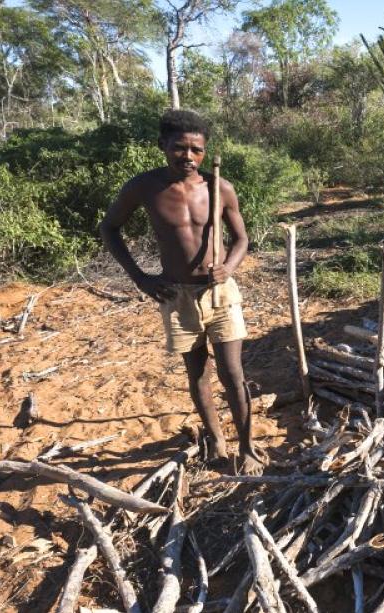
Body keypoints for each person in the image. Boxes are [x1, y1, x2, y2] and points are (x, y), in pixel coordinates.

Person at [100, 109, 267, 475]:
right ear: (163, 146)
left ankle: (247, 446)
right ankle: (216, 440)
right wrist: (141, 278)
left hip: (221, 293)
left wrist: (230, 266)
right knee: (198, 373)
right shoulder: (144, 187)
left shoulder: (219, 187)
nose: (188, 157)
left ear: (205, 151)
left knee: (232, 372)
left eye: (197, 150)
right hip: (176, 296)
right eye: (179, 148)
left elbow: (241, 239)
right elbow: (109, 228)